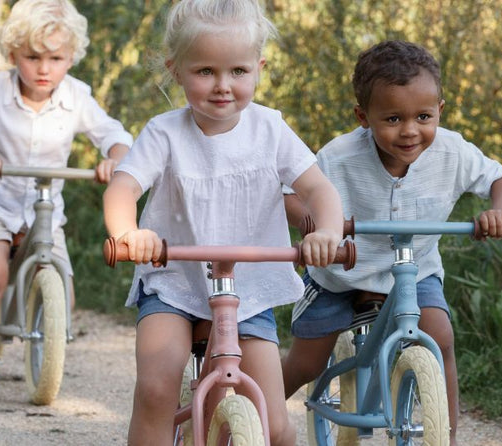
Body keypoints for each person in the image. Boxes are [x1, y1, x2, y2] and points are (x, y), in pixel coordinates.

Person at [102, 1, 343, 444]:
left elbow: (318, 190)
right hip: (172, 281)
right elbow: (122, 188)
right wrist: (127, 233)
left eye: (237, 71)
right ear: (176, 70)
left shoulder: (270, 130)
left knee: (274, 425)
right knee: (156, 387)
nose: (222, 86)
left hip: (247, 292)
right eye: (205, 71)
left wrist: (327, 230)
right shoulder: (165, 132)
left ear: (258, 68)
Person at [281, 40, 502, 445]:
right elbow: (291, 192)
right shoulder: (339, 157)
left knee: (441, 338)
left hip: (414, 270)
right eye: (392, 118)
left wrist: (500, 211)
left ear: (440, 110)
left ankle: (445, 437)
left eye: (423, 116)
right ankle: (249, 416)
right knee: (307, 361)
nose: (410, 130)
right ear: (363, 117)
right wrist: (315, 224)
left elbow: (501, 180)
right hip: (341, 273)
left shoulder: (452, 151)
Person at [0, 0, 132, 398]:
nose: (44, 69)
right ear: (13, 55)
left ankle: (46, 350)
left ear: (72, 58)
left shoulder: (77, 96)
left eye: (56, 58)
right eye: (32, 57)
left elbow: (115, 135)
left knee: (65, 288)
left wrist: (112, 161)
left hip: (46, 212)